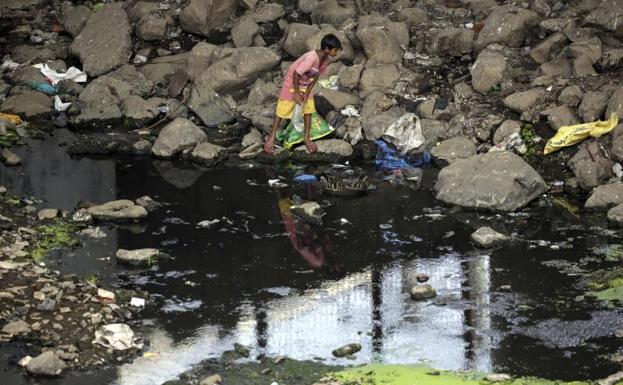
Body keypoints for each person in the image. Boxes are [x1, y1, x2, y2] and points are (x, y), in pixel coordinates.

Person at [263, 33, 342, 154]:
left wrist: (307, 92)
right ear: (327, 49)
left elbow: (316, 76)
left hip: (306, 83)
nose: (335, 53)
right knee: (283, 109)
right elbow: (296, 73)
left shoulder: (325, 60)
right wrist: (296, 93)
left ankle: (306, 138)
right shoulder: (312, 58)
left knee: (308, 109)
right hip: (292, 81)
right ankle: (272, 137)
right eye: (335, 50)